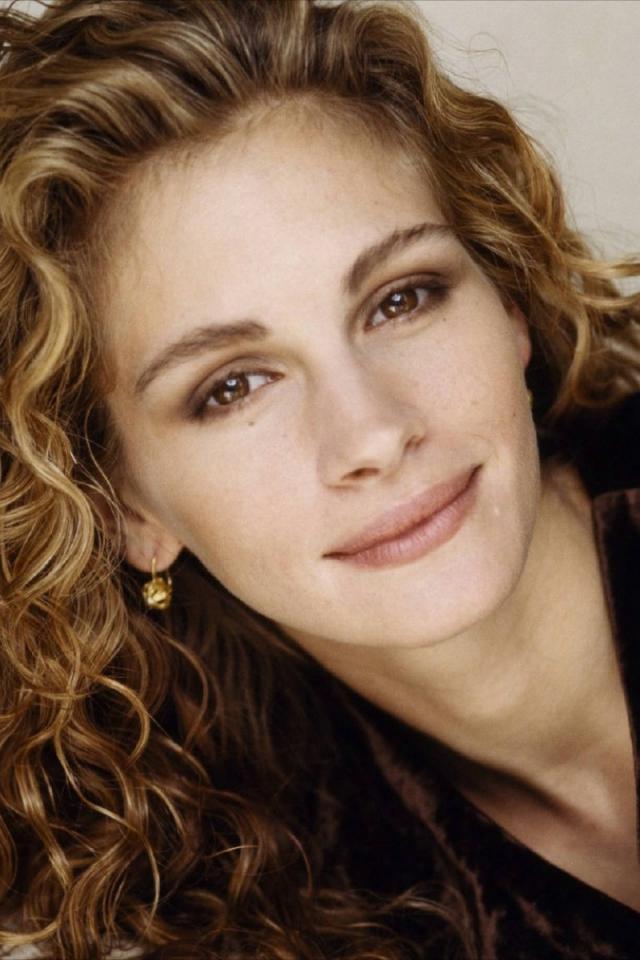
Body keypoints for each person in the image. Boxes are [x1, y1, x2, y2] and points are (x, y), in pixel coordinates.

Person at [0, 0, 639, 957]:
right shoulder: (235, 898)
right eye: (232, 387)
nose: (373, 433)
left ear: (507, 299)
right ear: (125, 511)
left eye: (402, 299)